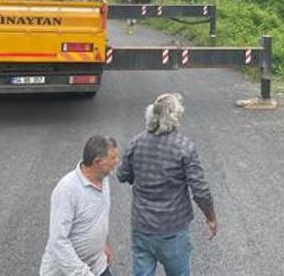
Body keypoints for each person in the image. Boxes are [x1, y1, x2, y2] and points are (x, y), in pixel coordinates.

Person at [117, 94, 217, 276]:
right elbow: (200, 189)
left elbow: (122, 175)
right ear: (174, 118)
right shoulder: (184, 147)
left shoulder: (135, 142)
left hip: (141, 227)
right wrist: (210, 217)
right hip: (172, 230)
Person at [40, 135, 119, 276]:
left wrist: (104, 244)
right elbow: (58, 242)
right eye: (113, 158)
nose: (117, 162)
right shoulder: (67, 190)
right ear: (98, 162)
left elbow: (100, 216)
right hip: (68, 271)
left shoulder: (103, 178)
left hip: (97, 264)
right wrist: (83, 273)